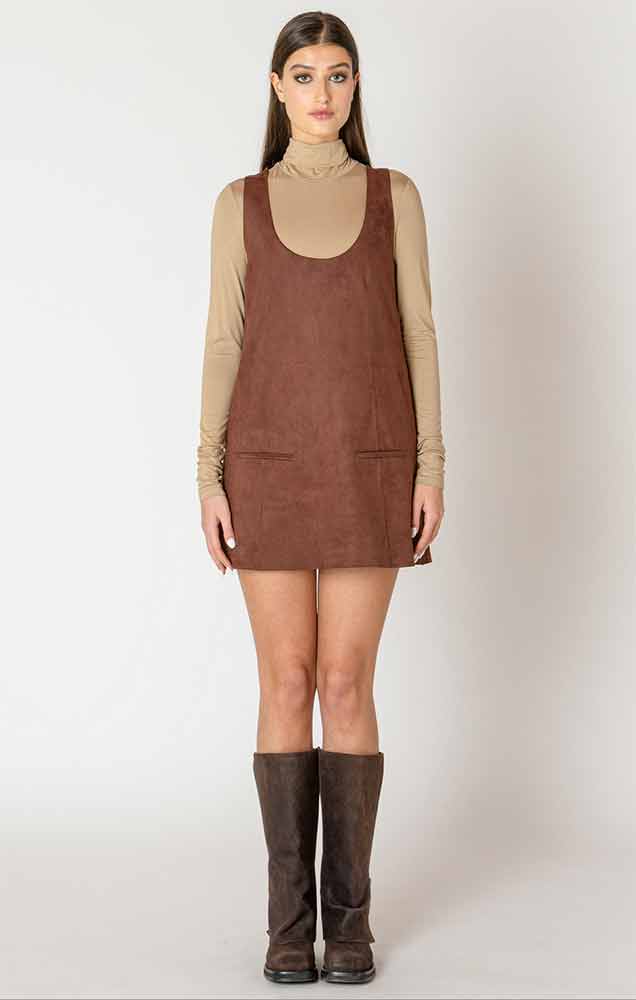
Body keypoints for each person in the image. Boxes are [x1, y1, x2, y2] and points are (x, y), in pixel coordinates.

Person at [196, 10, 445, 986]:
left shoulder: (395, 197)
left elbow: (419, 333)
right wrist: (208, 473)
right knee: (285, 681)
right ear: (277, 87)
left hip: (368, 464)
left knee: (344, 681)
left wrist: (431, 465)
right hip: (264, 466)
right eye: (303, 75)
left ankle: (349, 924)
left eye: (338, 74)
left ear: (355, 86)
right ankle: (286, 926)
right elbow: (224, 343)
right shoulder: (239, 203)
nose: (321, 93)